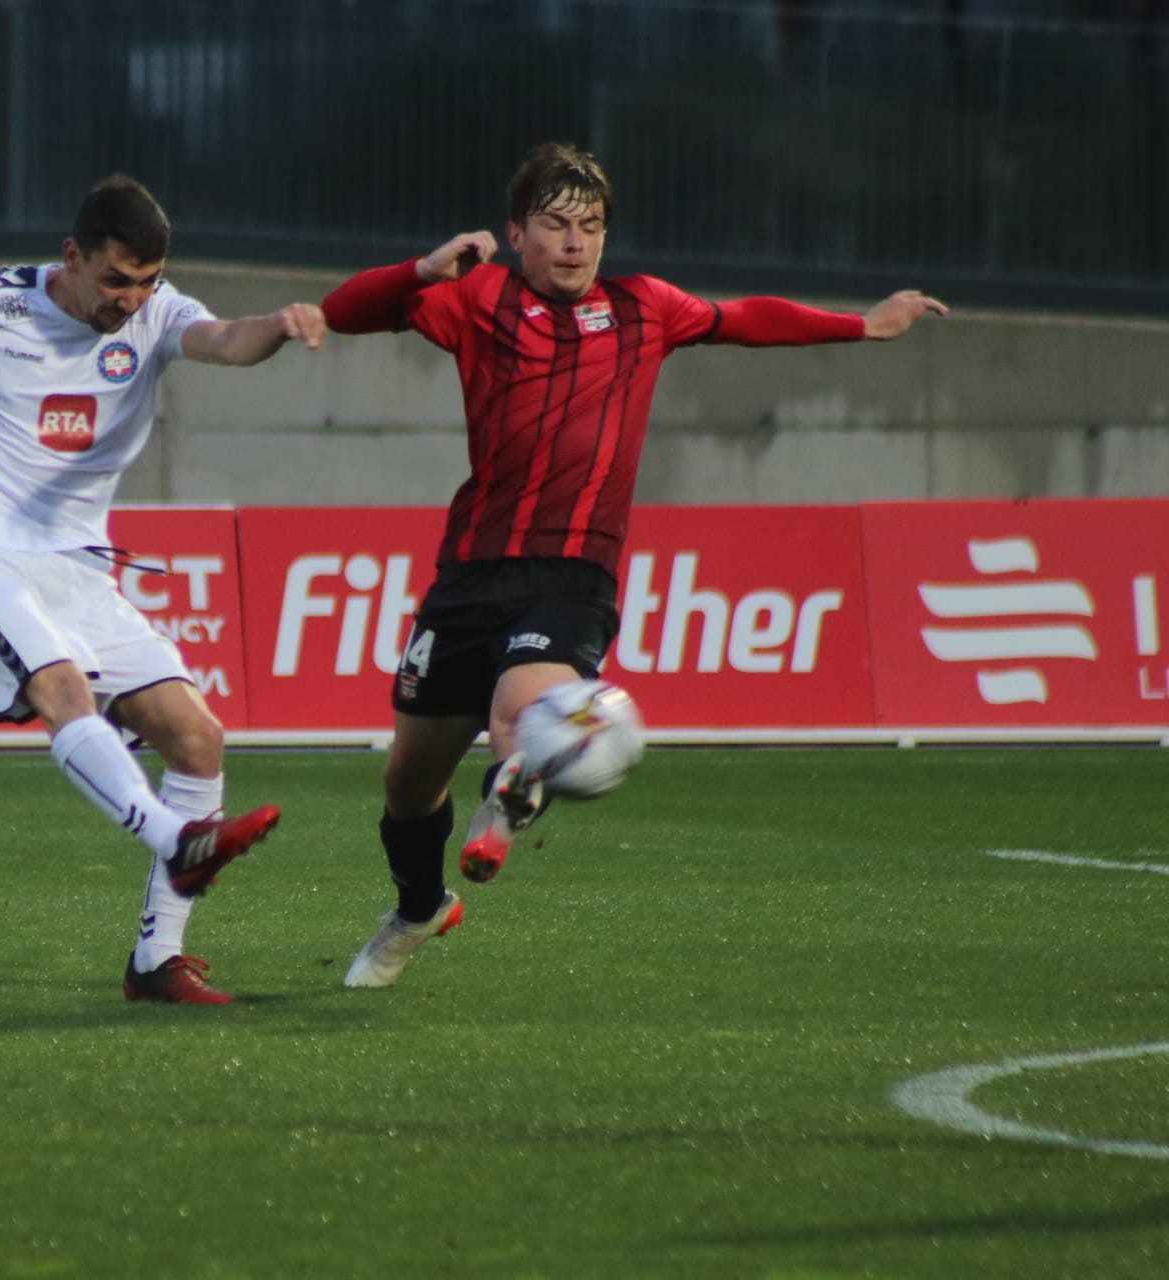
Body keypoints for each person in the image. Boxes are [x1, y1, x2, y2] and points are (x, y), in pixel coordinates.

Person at [320, 142, 947, 989]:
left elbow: (745, 317)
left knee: (522, 708)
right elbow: (346, 311)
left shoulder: (646, 308)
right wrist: (422, 267)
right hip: (469, 572)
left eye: (591, 227)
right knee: (407, 780)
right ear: (516, 232)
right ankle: (421, 906)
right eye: (555, 226)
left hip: (573, 570)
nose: (576, 244)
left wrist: (860, 324)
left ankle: (513, 788)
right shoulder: (477, 298)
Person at [0, 175, 327, 1004]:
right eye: (116, 279)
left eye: (146, 280)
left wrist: (280, 328)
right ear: (71, 257)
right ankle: (175, 836)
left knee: (198, 738)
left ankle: (157, 960)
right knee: (62, 690)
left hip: (80, 572)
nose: (130, 299)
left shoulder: (157, 313)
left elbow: (226, 340)